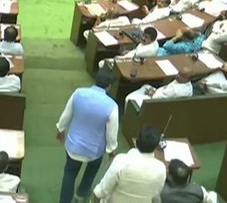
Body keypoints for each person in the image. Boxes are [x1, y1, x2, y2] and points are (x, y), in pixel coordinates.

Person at [56, 69, 118, 203]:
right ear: (109, 86)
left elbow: (67, 114)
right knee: (92, 169)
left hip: (73, 145)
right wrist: (111, 150)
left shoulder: (78, 93)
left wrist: (61, 129)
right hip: (95, 151)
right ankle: (81, 193)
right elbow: (111, 133)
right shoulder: (112, 106)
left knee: (69, 173)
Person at [93, 126, 166, 202]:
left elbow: (100, 192)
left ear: (136, 141)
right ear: (156, 147)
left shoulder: (121, 161)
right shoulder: (161, 169)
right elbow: (155, 194)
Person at [125, 67, 193, 109]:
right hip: (162, 96)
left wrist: (152, 93)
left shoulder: (175, 90)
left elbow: (156, 99)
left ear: (188, 79)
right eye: (179, 73)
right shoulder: (188, 85)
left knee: (129, 98)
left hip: (155, 103)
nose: (177, 76)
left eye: (181, 76)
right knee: (146, 86)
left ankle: (129, 118)